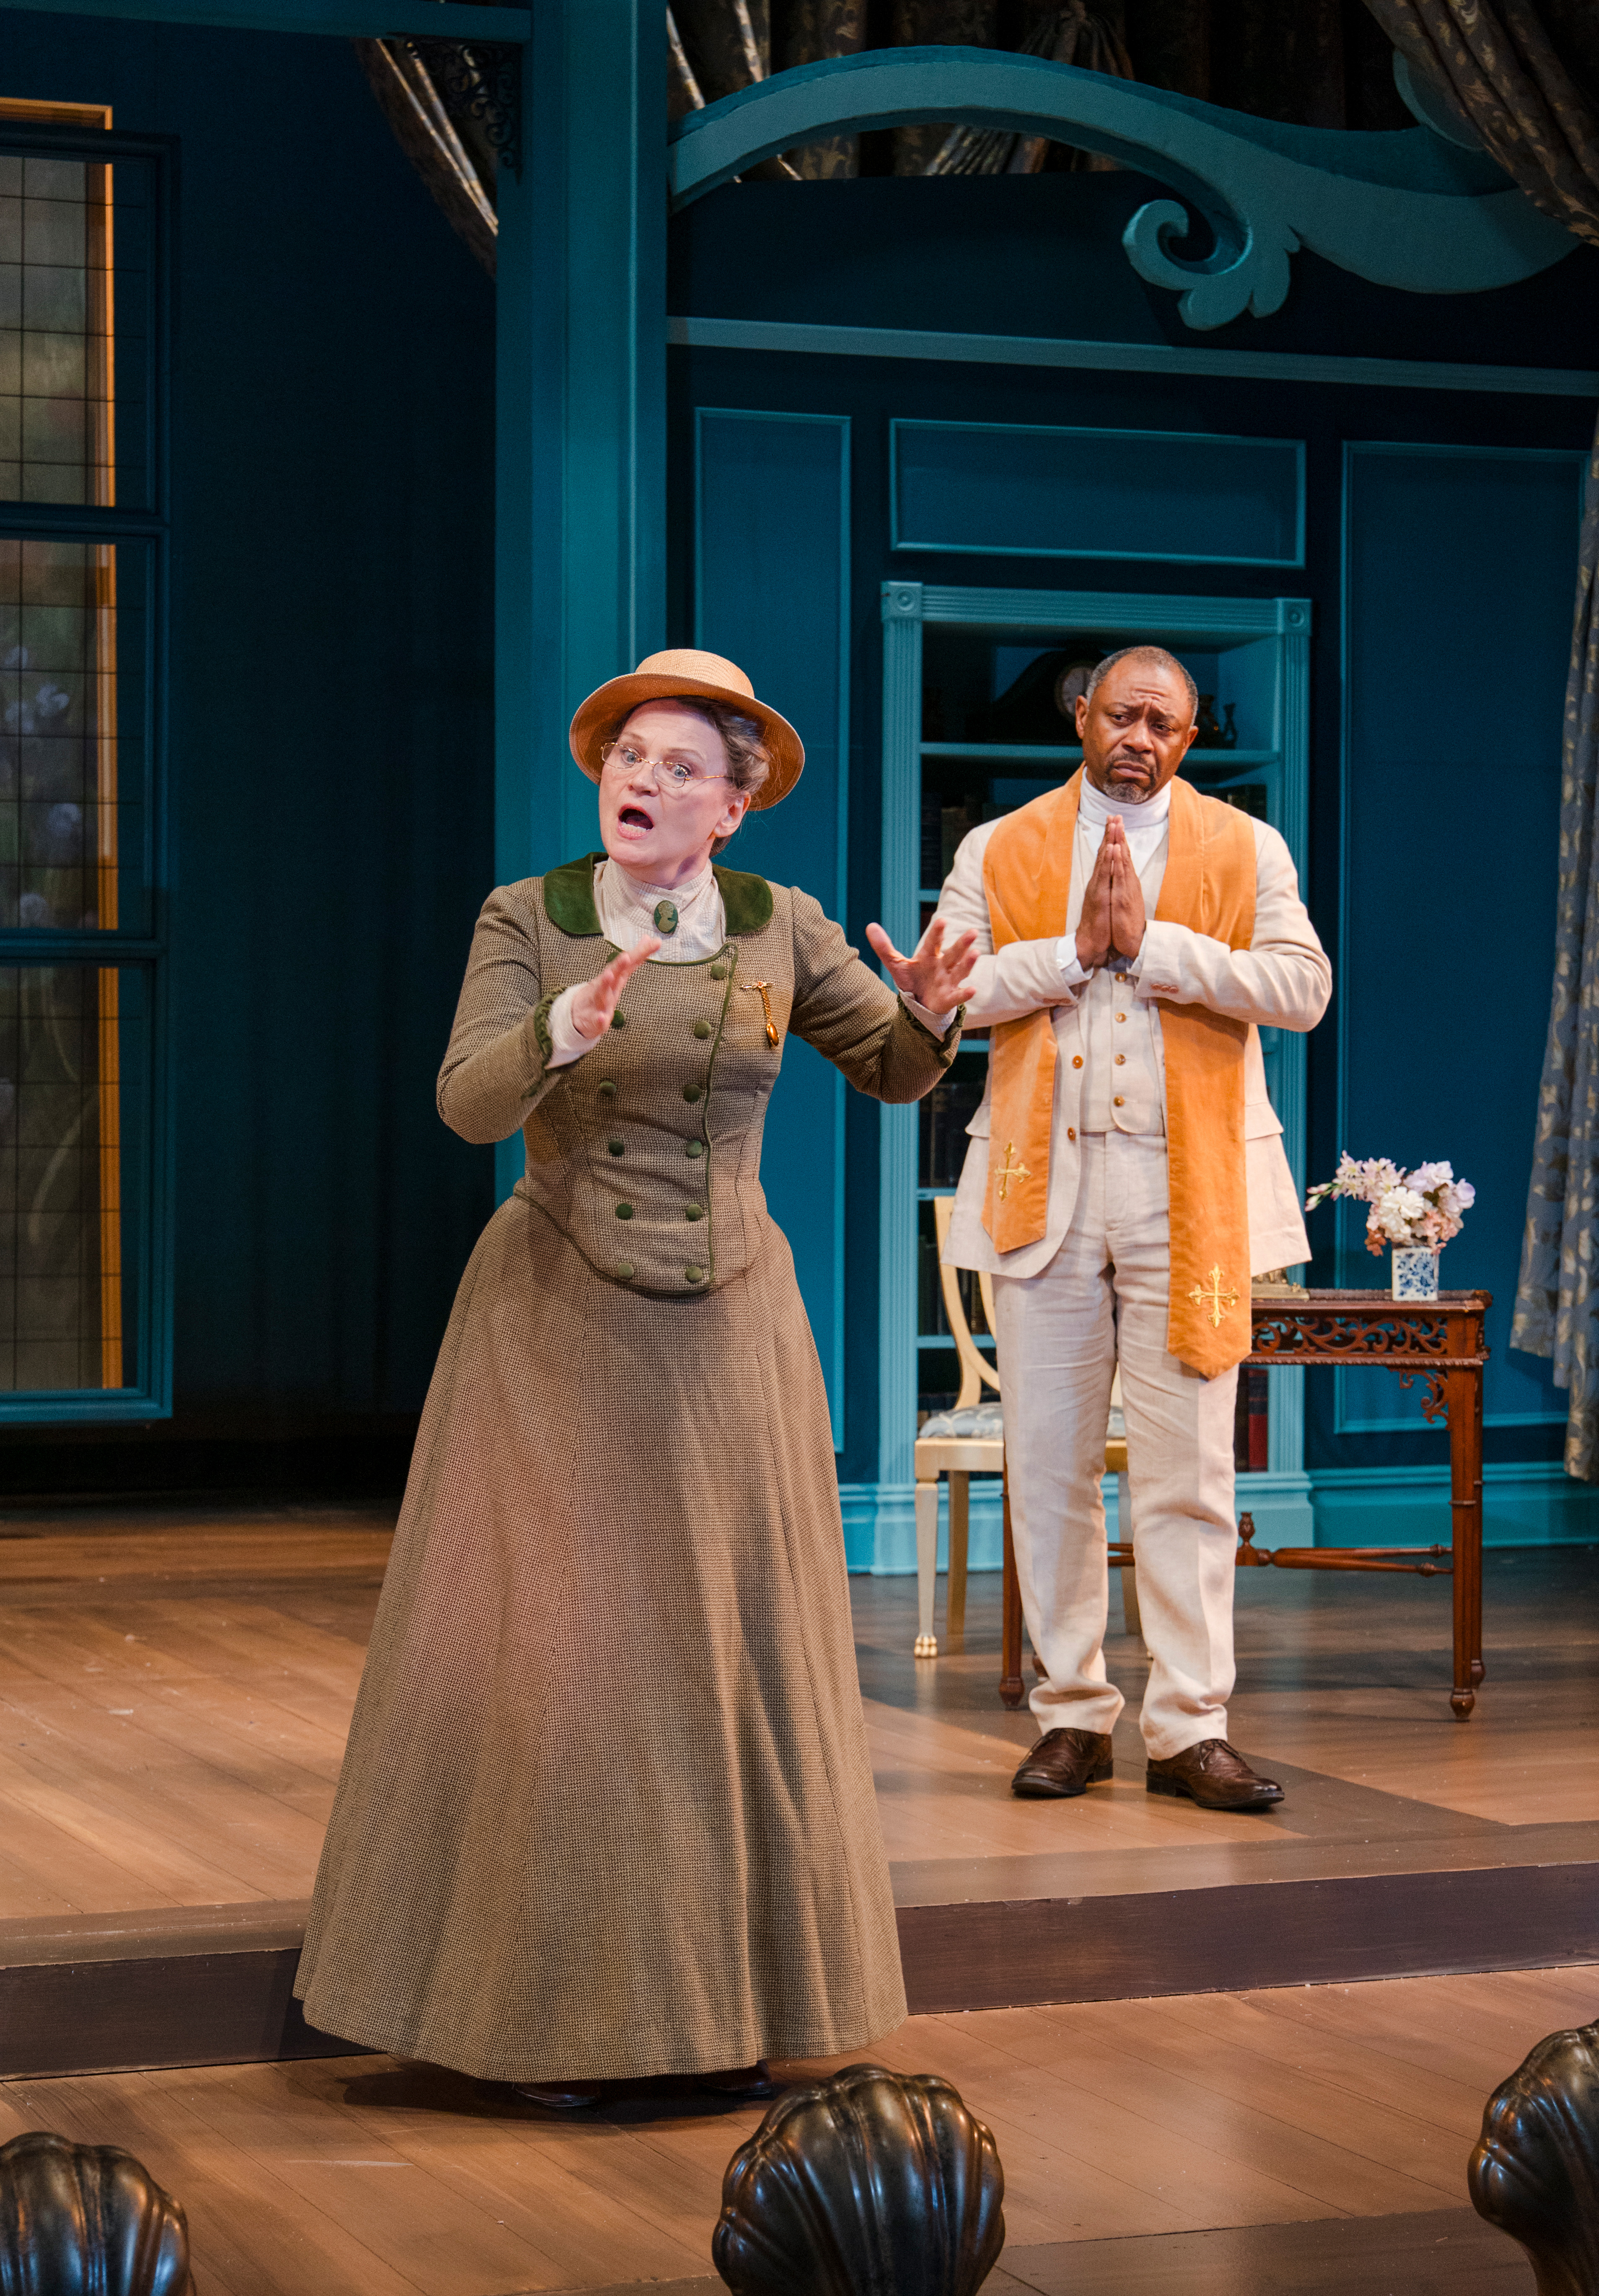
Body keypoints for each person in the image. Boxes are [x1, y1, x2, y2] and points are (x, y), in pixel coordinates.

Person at [295, 649, 975, 2105]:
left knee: (727, 1661)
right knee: (573, 1662)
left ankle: (732, 2009)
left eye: (681, 767)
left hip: (731, 1326)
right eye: (628, 759)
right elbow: (463, 1100)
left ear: (733, 807)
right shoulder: (525, 916)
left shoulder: (780, 924)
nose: (643, 783)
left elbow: (897, 1071)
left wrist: (933, 1016)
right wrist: (561, 1029)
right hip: (559, 1323)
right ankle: (558, 2020)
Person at [937, 645, 1330, 1812]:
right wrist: (1075, 952)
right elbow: (947, 993)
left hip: (1187, 1188)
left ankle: (1190, 1727)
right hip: (1041, 1188)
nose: (1138, 738)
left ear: (1189, 739)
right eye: (1121, 715)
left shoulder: (1245, 847)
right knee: (1048, 1465)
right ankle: (1072, 1718)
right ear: (1083, 717)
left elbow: (1303, 988)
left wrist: (1154, 948)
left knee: (1190, 1473)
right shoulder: (997, 847)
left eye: (1163, 722)